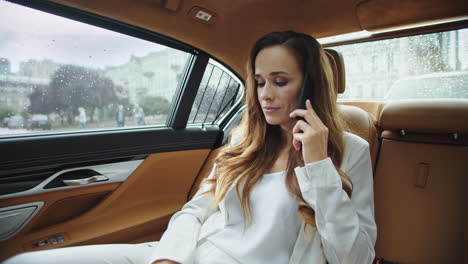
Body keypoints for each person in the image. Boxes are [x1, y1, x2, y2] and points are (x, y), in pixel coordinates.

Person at [4, 31, 376, 264]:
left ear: (311, 86)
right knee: (22, 261)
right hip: (186, 253)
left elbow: (355, 258)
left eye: (280, 81)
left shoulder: (350, 150)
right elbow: (194, 212)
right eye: (260, 81)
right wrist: (170, 257)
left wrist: (317, 166)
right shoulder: (244, 141)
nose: (265, 94)